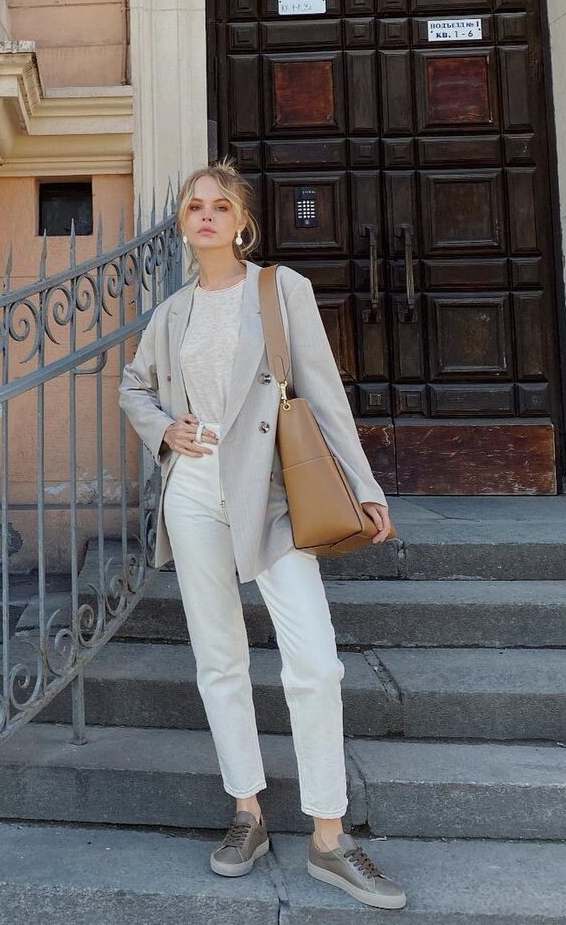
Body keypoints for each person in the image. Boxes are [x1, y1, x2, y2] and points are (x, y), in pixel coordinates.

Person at [118, 158, 406, 910]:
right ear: (184, 226)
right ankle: (246, 810)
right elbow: (134, 385)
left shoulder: (281, 290)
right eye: (194, 207)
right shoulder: (173, 312)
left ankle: (329, 835)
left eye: (220, 206)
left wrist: (364, 485)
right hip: (194, 490)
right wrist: (165, 429)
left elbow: (324, 393)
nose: (206, 216)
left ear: (242, 222)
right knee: (219, 657)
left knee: (315, 662)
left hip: (270, 491)